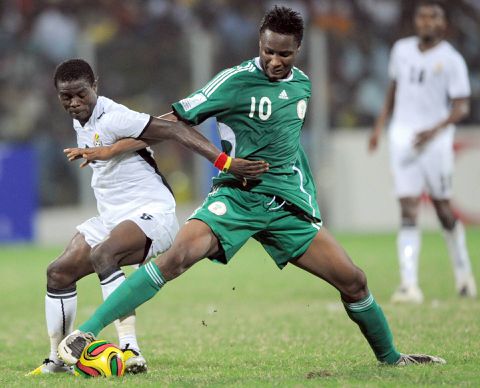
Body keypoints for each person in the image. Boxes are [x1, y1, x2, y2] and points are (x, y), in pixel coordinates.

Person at [58, 7, 445, 367]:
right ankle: (84, 334)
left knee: (354, 280)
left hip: (284, 205)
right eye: (268, 51)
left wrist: (304, 194)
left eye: (285, 54)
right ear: (259, 42)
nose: (275, 61)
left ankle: (393, 359)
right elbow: (170, 123)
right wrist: (112, 149)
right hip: (236, 197)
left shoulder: (304, 87)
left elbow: (290, 148)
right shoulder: (234, 80)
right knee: (176, 259)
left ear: (298, 50)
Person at [28, 59, 268, 375]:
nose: (74, 103)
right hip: (112, 217)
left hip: (152, 212)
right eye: (66, 97)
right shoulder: (82, 120)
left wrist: (224, 162)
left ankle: (130, 349)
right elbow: (144, 137)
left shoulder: (114, 116)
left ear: (95, 87)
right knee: (58, 272)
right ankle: (57, 360)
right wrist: (113, 151)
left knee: (104, 254)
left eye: (81, 95)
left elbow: (174, 128)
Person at [369, 0, 477, 303]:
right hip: (403, 136)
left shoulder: (451, 60)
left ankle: (463, 273)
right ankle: (409, 284)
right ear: (416, 21)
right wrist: (379, 127)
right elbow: (392, 89)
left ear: (442, 24)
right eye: (423, 16)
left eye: (434, 17)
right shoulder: (401, 50)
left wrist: (433, 130)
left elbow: (462, 106)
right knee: (408, 208)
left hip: (436, 141)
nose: (427, 21)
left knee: (443, 209)